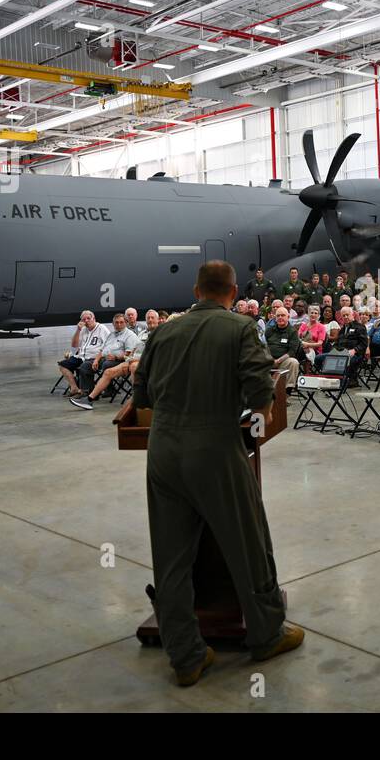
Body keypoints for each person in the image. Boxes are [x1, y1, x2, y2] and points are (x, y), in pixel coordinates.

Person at [133, 260, 302, 687]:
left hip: (163, 448)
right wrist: (258, 418)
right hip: (215, 445)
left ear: (195, 290)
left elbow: (143, 391)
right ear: (232, 291)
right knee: (247, 541)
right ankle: (266, 634)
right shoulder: (240, 328)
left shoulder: (162, 331)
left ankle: (186, 655)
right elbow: (260, 389)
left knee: (170, 558)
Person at [71, 310, 160, 410]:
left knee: (132, 366)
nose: (150, 320)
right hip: (131, 360)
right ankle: (89, 400)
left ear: (158, 320)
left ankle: (137, 399)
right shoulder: (142, 334)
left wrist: (122, 357)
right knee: (108, 372)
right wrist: (130, 358)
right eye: (148, 318)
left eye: (153, 317)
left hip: (146, 362)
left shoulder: (161, 332)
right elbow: (134, 350)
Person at [58, 310, 110, 397]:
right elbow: (74, 347)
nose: (86, 321)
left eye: (88, 318)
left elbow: (108, 346)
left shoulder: (102, 328)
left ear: (94, 319)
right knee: (63, 365)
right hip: (81, 356)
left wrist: (97, 358)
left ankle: (87, 392)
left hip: (94, 357)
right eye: (84, 319)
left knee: (84, 367)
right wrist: (78, 330)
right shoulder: (83, 330)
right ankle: (74, 388)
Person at [264, 308, 304, 391]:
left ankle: (287, 392)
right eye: (278, 315)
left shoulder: (292, 332)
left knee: (293, 362)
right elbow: (263, 347)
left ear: (288, 317)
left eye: (283, 315)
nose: (280, 317)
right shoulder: (269, 330)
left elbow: (292, 352)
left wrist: (278, 361)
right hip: (268, 360)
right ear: (275, 317)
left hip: (283, 361)